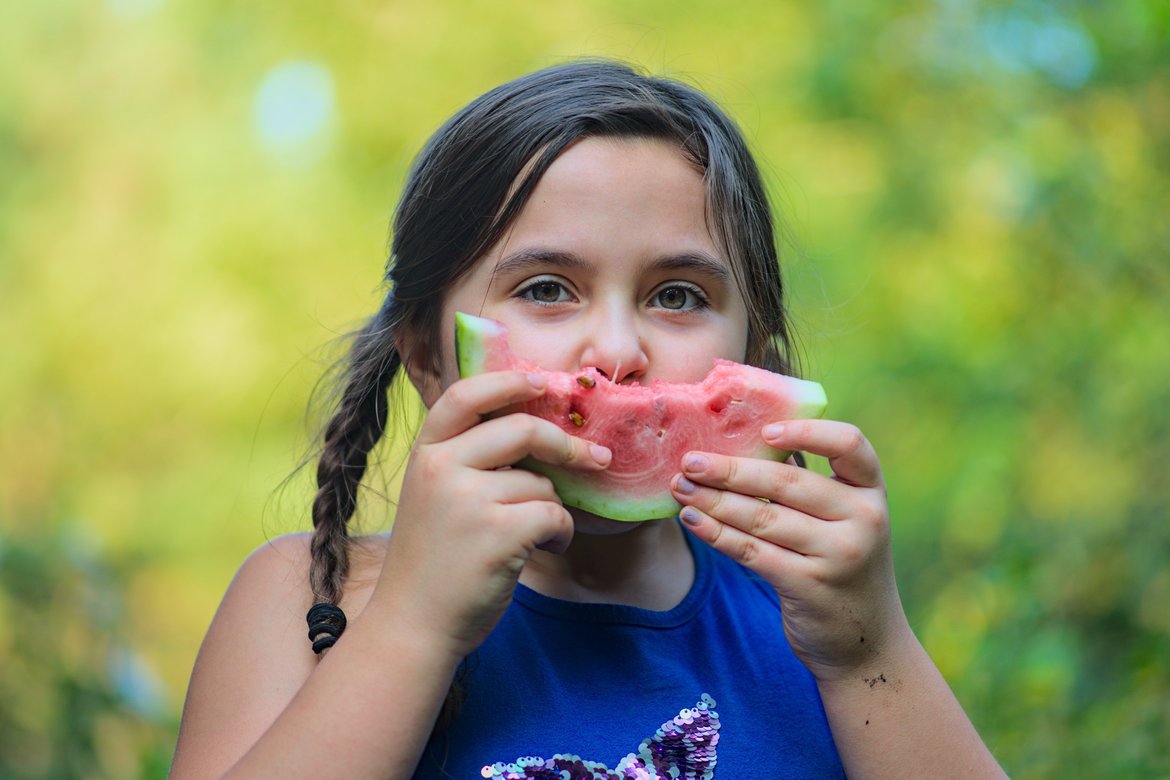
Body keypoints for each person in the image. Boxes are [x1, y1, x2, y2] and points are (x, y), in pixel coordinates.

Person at [171, 59, 1005, 779]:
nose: (614, 351)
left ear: (758, 358)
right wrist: (412, 627)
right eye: (546, 289)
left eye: (678, 296)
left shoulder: (822, 631)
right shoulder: (312, 599)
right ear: (428, 357)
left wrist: (870, 655)